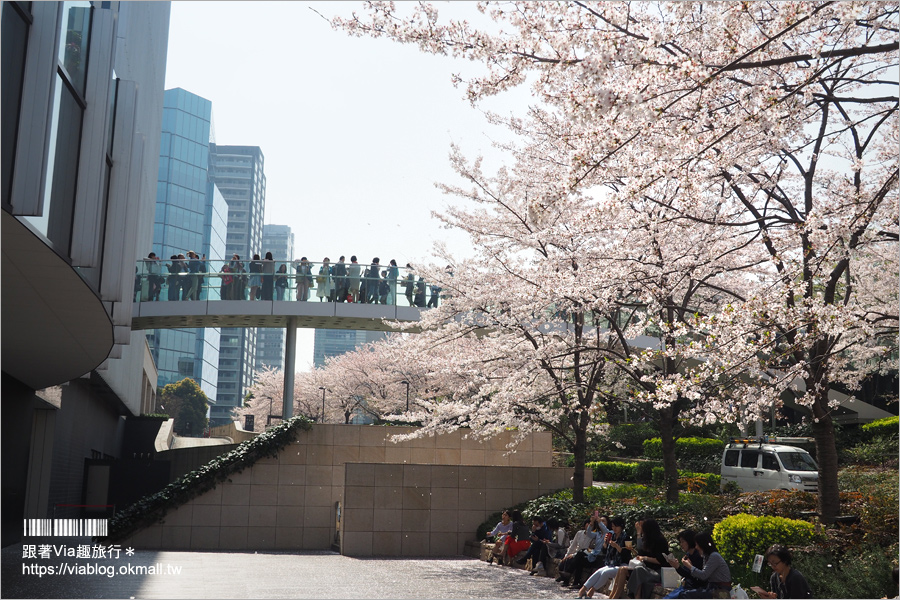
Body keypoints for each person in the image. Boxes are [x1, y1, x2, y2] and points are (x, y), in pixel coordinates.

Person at [665, 531, 731, 599]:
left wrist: (690, 566)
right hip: (711, 587)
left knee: (685, 595)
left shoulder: (714, 556)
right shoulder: (706, 556)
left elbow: (703, 576)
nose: (696, 547)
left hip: (720, 589)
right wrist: (678, 567)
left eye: (697, 544)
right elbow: (696, 575)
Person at [577, 516, 631, 598]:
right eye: (613, 526)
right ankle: (583, 590)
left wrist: (617, 546)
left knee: (605, 572)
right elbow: (606, 552)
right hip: (611, 564)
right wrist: (605, 544)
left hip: (622, 565)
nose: (614, 528)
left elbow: (627, 554)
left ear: (621, 526)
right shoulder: (612, 536)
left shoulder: (626, 537)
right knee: (599, 571)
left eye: (616, 526)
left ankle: (591, 591)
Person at [624, 518, 670, 599]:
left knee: (639, 570)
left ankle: (633, 595)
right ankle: (636, 597)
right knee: (634, 572)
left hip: (658, 572)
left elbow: (660, 561)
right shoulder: (648, 540)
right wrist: (638, 533)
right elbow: (640, 551)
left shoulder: (660, 541)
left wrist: (645, 558)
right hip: (648, 569)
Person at [560, 513, 609, 587]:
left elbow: (606, 531)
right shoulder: (598, 534)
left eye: (603, 521)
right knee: (579, 559)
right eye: (600, 521)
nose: (601, 522)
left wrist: (599, 522)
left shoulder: (609, 533)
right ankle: (576, 582)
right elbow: (589, 533)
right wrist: (591, 524)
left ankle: (568, 573)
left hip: (600, 558)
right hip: (593, 556)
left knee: (580, 553)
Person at [662, 530, 704, 597]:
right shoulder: (688, 555)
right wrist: (677, 567)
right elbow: (686, 574)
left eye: (683, 542)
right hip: (686, 586)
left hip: (695, 588)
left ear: (689, 541)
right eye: (680, 542)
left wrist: (686, 566)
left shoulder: (699, 556)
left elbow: (696, 577)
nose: (681, 545)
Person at [557, 518, 599, 583]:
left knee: (573, 559)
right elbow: (573, 546)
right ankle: (564, 577)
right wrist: (567, 555)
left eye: (591, 525)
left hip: (583, 555)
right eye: (588, 523)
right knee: (566, 560)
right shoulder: (579, 533)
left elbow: (588, 549)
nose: (588, 525)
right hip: (576, 553)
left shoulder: (594, 536)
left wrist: (574, 554)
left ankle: (566, 579)